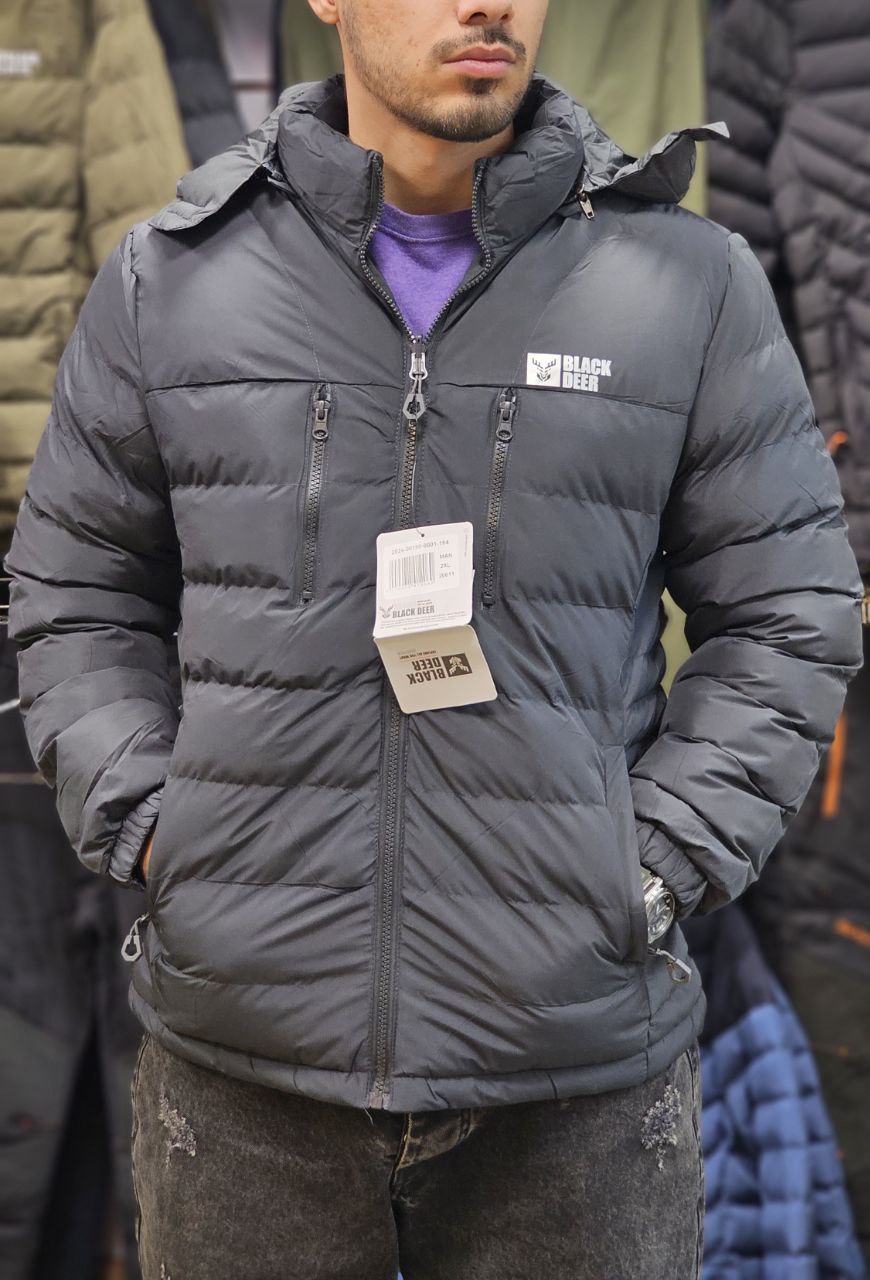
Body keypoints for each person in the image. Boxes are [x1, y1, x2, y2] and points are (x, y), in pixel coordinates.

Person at [4, 0, 864, 1275]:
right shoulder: (173, 279)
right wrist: (152, 827)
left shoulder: (685, 283)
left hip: (573, 1082)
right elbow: (75, 588)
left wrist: (657, 860)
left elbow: (790, 608)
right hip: (245, 1081)